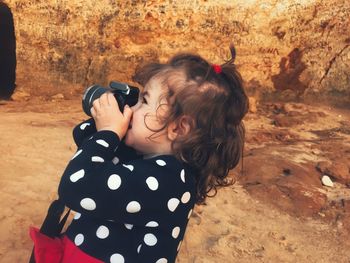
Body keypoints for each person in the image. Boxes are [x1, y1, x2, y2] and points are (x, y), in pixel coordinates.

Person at [30, 45, 249, 263]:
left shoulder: (167, 181)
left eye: (144, 101)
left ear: (178, 129)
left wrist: (109, 131)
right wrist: (111, 120)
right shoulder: (144, 158)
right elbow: (83, 138)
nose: (132, 110)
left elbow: (75, 186)